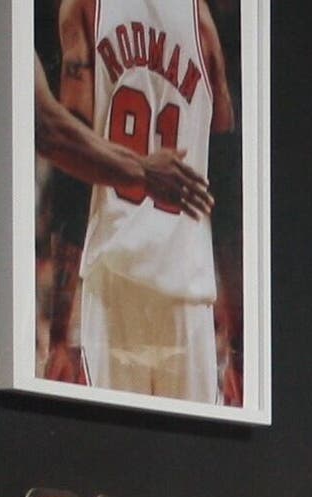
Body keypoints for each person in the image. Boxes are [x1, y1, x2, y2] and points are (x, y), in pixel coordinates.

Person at [57, 0, 233, 402]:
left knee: (107, 455)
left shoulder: (84, 8)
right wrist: (237, 332)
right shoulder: (202, 24)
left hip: (115, 275)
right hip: (187, 286)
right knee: (194, 458)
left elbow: (70, 169)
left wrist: (57, 327)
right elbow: (229, 181)